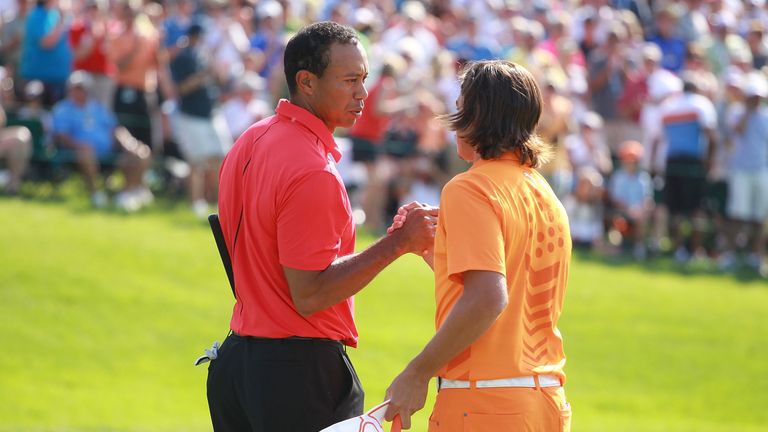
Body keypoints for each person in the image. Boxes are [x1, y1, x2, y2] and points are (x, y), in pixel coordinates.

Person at [207, 21, 437, 432]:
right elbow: (310, 294)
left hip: (239, 363)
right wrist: (398, 244)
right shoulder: (312, 169)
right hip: (298, 374)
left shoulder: (251, 138)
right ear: (306, 82)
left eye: (363, 79)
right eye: (349, 80)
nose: (362, 93)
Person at [383, 61, 572, 431]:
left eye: (460, 105)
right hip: (546, 402)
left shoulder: (470, 188)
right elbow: (508, 288)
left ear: (477, 115)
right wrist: (439, 254)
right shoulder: (543, 192)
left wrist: (417, 372)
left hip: (484, 404)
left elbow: (488, 298)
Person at [51, 71, 152, 209]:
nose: (80, 92)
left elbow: (115, 129)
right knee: (85, 152)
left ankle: (127, 194)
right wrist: (78, 145)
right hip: (76, 153)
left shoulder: (99, 109)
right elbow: (60, 135)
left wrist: (128, 143)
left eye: (83, 88)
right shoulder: (62, 110)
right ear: (69, 90)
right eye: (76, 88)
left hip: (108, 152)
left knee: (141, 152)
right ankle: (96, 194)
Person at [169, 22, 231, 218]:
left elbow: (220, 82)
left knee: (221, 159)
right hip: (192, 115)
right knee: (196, 162)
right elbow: (181, 89)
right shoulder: (183, 58)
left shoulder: (205, 56)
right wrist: (202, 76)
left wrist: (216, 69)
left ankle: (218, 203)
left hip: (212, 113)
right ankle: (196, 203)